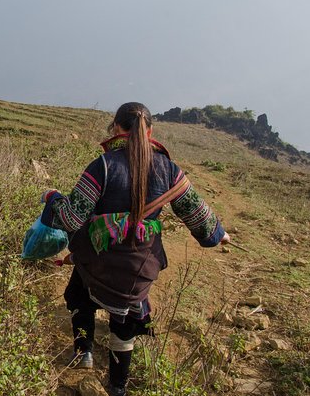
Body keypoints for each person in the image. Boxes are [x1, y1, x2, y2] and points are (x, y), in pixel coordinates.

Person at [40, 102, 230, 396]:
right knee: (125, 319)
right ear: (150, 131)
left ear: (116, 129)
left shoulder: (103, 166)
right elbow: (197, 214)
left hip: (97, 259)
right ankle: (118, 386)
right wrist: (219, 234)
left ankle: (84, 353)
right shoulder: (169, 170)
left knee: (78, 294)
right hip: (139, 268)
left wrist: (52, 197)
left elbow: (71, 218)